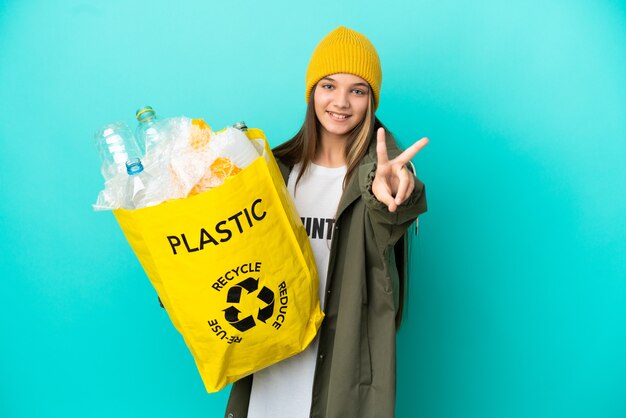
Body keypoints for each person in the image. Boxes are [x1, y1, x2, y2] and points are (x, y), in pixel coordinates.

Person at [225, 26, 428, 418]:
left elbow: (393, 209)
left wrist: (397, 188)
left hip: (342, 374)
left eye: (358, 90)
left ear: (371, 101)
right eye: (329, 86)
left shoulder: (381, 176)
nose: (341, 102)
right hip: (271, 369)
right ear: (312, 92)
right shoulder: (273, 171)